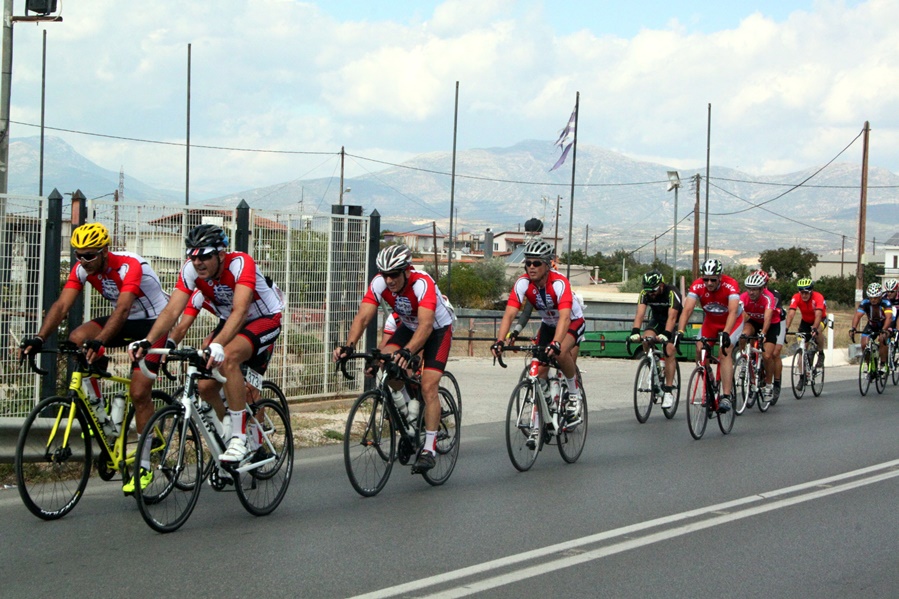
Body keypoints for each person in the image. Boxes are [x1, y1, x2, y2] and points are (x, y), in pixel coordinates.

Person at [19, 222, 170, 494]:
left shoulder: (129, 266)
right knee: (78, 338)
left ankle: (145, 466)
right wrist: (40, 337)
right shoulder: (82, 268)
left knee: (138, 393)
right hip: (123, 322)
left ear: (104, 251)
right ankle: (102, 415)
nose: (83, 261)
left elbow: (123, 309)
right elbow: (62, 305)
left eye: (89, 255)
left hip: (153, 324)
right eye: (78, 254)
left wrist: (100, 342)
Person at [129, 224, 284, 464]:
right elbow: (171, 312)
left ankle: (239, 438)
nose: (197, 262)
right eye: (192, 256)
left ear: (221, 254)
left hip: (263, 319)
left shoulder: (240, 263)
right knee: (205, 387)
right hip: (231, 321)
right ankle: (227, 429)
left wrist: (219, 344)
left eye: (204, 256)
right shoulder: (191, 272)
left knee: (230, 358)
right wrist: (149, 341)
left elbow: (241, 310)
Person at [332, 244, 454, 474]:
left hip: (437, 330)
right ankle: (410, 412)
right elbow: (363, 316)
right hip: (408, 326)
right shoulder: (379, 282)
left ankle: (429, 448)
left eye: (394, 275)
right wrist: (349, 346)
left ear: (407, 270)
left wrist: (407, 352)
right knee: (385, 364)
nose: (389, 280)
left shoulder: (422, 283)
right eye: (385, 275)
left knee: (428, 386)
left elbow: (426, 325)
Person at [491, 238, 586, 443]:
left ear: (547, 264)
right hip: (549, 325)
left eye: (536, 263)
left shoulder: (559, 283)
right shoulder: (523, 283)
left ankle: (573, 394)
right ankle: (548, 407)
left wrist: (557, 343)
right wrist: (500, 340)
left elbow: (565, 318)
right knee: (540, 370)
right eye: (528, 263)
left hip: (572, 322)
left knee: (560, 354)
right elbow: (509, 314)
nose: (531, 267)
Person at [675, 259, 743, 413]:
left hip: (732, 321)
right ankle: (709, 378)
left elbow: (733, 311)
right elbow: (687, 310)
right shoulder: (697, 285)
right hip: (711, 321)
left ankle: (726, 396)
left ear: (720, 277)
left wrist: (726, 332)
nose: (709, 283)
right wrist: (680, 331)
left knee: (724, 351)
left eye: (713, 279)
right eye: (706, 279)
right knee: (699, 349)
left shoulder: (730, 284)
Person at [628, 270, 683, 408]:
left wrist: (666, 333)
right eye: (647, 291)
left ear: (662, 285)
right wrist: (635, 331)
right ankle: (655, 364)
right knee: (646, 340)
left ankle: (669, 391)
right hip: (658, 320)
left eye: (653, 290)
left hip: (674, 322)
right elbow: (640, 314)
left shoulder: (671, 292)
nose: (650, 294)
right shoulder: (645, 293)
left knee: (669, 349)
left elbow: (672, 317)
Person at [739, 272, 781, 401]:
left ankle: (769, 385)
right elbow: (738, 315)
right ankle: (744, 359)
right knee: (743, 335)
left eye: (755, 289)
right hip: (754, 321)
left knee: (767, 355)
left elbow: (768, 318)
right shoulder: (743, 297)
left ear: (762, 289)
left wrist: (763, 333)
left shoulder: (769, 298)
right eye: (749, 289)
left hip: (771, 325)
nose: (751, 292)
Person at [752, 269, 786, 400]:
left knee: (774, 353)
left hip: (776, 322)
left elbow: (770, 315)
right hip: (759, 320)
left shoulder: (773, 295)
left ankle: (776, 383)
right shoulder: (751, 294)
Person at [849, 282, 893, 376]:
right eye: (871, 297)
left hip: (884, 325)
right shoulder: (865, 302)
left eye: (875, 297)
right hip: (871, 325)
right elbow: (857, 316)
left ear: (880, 296)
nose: (873, 300)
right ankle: (871, 368)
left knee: (882, 338)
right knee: (864, 344)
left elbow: (889, 318)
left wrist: (884, 330)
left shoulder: (886, 302)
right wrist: (853, 328)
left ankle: (883, 364)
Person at [784, 278, 828, 367]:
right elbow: (791, 314)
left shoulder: (818, 297)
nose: (804, 295)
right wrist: (786, 328)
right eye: (802, 292)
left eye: (806, 292)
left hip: (820, 319)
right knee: (802, 348)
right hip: (805, 321)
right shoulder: (796, 297)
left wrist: (814, 328)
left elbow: (818, 314)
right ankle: (802, 377)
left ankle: (821, 353)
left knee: (817, 332)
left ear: (811, 291)